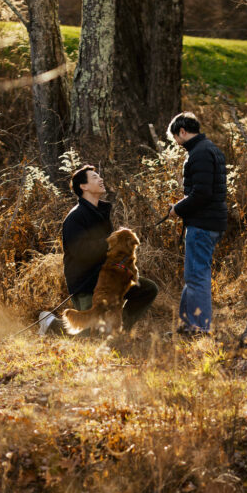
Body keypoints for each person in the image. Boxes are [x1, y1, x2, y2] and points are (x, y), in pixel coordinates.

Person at [41, 165, 158, 335]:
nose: (100, 179)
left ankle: (120, 331)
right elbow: (81, 252)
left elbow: (111, 250)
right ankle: (52, 325)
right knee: (92, 335)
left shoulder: (102, 213)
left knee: (148, 289)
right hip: (87, 285)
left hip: (110, 280)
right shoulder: (75, 217)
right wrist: (111, 242)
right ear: (84, 186)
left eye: (99, 176)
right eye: (95, 177)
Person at [168, 112, 227, 337]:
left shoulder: (199, 153)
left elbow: (201, 193)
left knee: (197, 276)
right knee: (193, 275)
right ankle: (187, 324)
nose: (177, 143)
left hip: (203, 224)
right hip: (209, 221)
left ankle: (199, 327)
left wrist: (178, 209)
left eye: (176, 138)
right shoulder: (209, 148)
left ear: (182, 132)